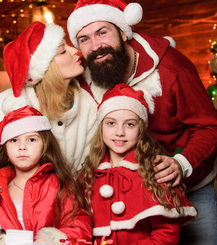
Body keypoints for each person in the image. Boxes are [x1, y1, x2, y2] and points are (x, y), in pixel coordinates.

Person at [67, 0, 217, 244]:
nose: (96, 46)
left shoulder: (172, 68)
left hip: (189, 183)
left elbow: (210, 127)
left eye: (102, 32)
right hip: (129, 192)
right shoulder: (86, 77)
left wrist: (182, 164)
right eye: (85, 39)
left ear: (123, 31)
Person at [0, 21, 98, 213]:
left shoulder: (88, 107)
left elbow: (85, 175)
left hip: (59, 218)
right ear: (45, 68)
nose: (75, 51)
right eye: (62, 51)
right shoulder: (5, 105)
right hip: (5, 217)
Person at [78, 84, 197, 244]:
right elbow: (77, 226)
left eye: (129, 124)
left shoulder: (155, 172)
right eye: (111, 123)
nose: (120, 132)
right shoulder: (88, 175)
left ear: (140, 129)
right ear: (101, 127)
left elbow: (166, 235)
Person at [0, 105, 92, 244]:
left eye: (31, 139)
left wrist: (50, 241)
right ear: (5, 148)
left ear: (44, 144)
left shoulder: (59, 185)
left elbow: (79, 228)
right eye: (14, 140)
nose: (22, 147)